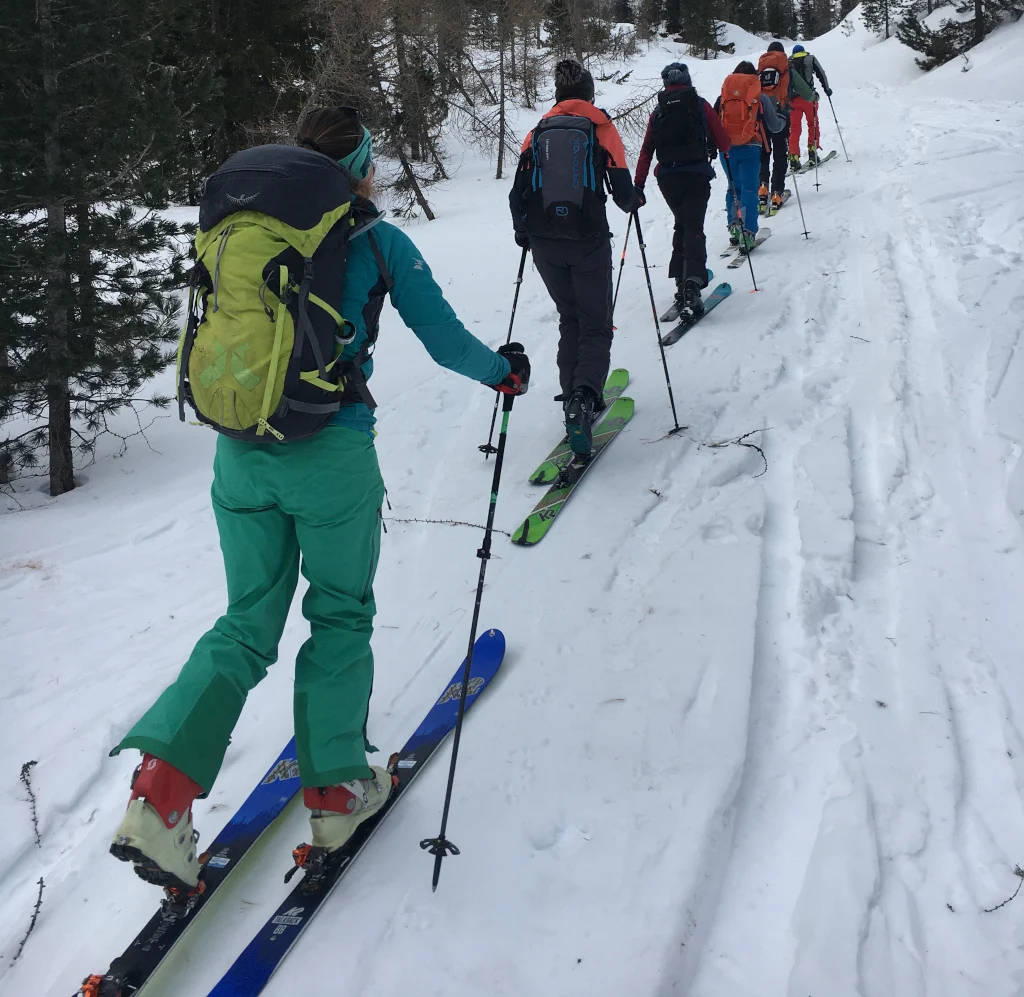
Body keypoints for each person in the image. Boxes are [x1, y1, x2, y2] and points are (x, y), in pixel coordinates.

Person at [109, 106, 530, 893]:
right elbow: (442, 338)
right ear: (363, 168)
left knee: (244, 625)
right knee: (339, 612)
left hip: (241, 453)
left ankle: (157, 800)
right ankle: (337, 791)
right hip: (330, 456)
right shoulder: (375, 240)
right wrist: (501, 370)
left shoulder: (250, 234)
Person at [509, 58, 636, 455]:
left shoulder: (539, 130)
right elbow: (622, 190)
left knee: (571, 319)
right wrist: (636, 200)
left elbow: (518, 192)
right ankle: (584, 397)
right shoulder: (599, 127)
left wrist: (523, 232)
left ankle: (571, 399)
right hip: (588, 239)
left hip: (545, 243)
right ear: (589, 93)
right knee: (596, 323)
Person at [634, 62, 731, 322]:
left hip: (667, 178)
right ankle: (692, 284)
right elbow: (724, 142)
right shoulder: (700, 105)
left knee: (682, 224)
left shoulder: (658, 112)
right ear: (687, 80)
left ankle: (681, 280)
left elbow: (646, 151)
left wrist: (638, 186)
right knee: (693, 227)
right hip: (696, 175)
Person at [715, 62, 785, 251]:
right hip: (751, 148)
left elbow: (713, 125)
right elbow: (775, 126)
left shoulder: (723, 97)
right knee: (749, 190)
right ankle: (749, 231)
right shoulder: (759, 97)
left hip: (727, 150)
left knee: (733, 188)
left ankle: (734, 226)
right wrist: (783, 117)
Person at [757, 40, 792, 210]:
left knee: (764, 152)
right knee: (780, 154)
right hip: (780, 116)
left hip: (762, 115)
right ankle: (777, 192)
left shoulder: (761, 67)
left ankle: (762, 188)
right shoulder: (785, 67)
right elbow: (800, 89)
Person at [788, 43, 831, 169]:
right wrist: (826, 89)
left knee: (794, 128)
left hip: (793, 100)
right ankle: (812, 152)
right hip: (809, 98)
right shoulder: (810, 58)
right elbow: (821, 73)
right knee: (813, 124)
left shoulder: (788, 62)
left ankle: (794, 158)